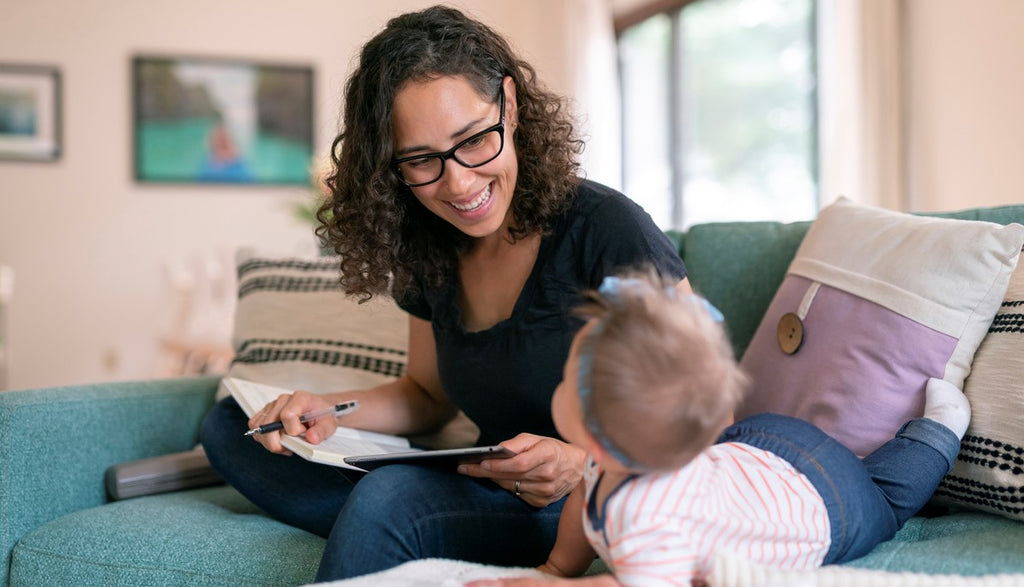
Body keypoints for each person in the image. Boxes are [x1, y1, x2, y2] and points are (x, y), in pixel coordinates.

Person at [199, 5, 688, 582]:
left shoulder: (608, 229)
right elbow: (426, 396)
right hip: (478, 487)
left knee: (389, 499)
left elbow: (704, 411)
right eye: (421, 160)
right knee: (237, 424)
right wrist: (324, 409)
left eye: (475, 140)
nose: (458, 183)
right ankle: (403, 530)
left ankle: (395, 524)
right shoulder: (431, 245)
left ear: (508, 104)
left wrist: (582, 463)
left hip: (572, 507)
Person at [474, 272, 971, 587]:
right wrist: (558, 565)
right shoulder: (605, 460)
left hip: (826, 502)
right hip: (759, 443)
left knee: (887, 499)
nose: (558, 381)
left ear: (596, 431)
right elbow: (585, 503)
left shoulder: (648, 516)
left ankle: (939, 431)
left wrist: (560, 582)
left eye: (568, 378)